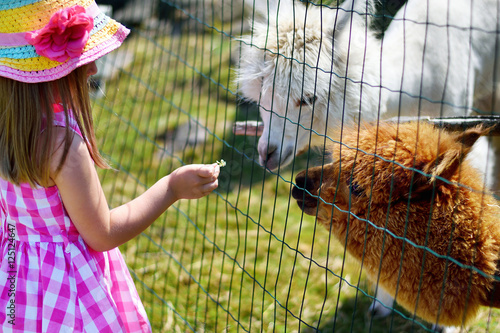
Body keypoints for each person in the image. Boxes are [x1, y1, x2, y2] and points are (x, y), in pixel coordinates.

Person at [0, 1, 220, 331]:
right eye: (81, 60)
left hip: (19, 282)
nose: (94, 70)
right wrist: (171, 187)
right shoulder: (60, 145)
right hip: (69, 292)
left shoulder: (8, 128)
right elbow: (102, 234)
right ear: (49, 73)